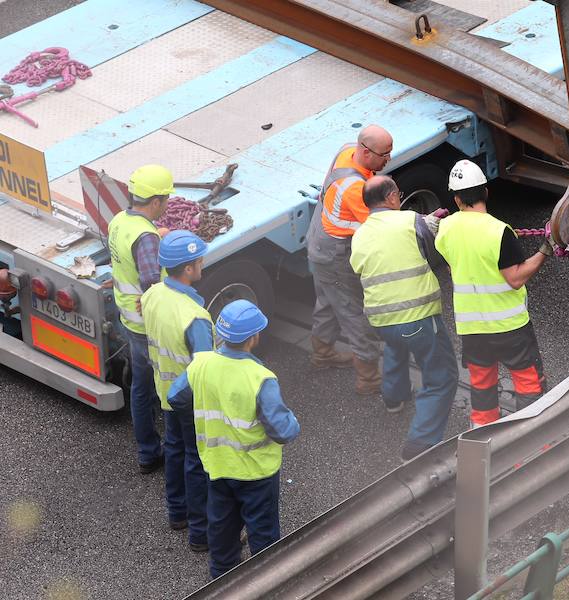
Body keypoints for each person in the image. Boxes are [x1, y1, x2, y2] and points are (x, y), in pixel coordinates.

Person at [168, 300, 300, 580]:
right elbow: (282, 430)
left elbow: (175, 397)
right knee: (263, 535)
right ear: (253, 338)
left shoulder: (201, 365)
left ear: (221, 334)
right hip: (256, 473)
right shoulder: (260, 378)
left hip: (217, 466)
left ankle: (222, 580)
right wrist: (293, 422)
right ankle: (267, 583)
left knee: (222, 529)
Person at [435, 160, 552, 426]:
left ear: (456, 198)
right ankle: (531, 438)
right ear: (486, 192)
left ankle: (483, 436)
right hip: (509, 327)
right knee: (528, 383)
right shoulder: (499, 231)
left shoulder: (446, 229)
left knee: (482, 385)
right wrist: (545, 250)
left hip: (472, 328)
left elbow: (457, 268)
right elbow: (515, 278)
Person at [349, 176, 458, 460]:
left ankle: (394, 398)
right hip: (417, 317)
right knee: (441, 377)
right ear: (391, 198)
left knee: (396, 346)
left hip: (380, 320)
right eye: (398, 193)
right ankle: (419, 446)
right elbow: (436, 233)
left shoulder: (359, 234)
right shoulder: (410, 219)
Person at [306, 125, 393, 395]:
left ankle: (322, 354)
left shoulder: (346, 150)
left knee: (329, 299)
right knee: (353, 312)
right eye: (384, 154)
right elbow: (380, 223)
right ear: (366, 152)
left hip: (318, 241)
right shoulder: (355, 188)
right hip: (334, 253)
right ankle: (369, 381)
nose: (388, 160)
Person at [141, 231, 214, 552]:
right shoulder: (195, 317)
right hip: (190, 399)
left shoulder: (153, 294)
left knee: (173, 449)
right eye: (199, 260)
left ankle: (178, 513)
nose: (202, 265)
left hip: (165, 388)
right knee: (197, 461)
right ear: (188, 269)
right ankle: (201, 532)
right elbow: (204, 368)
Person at [108, 164, 173, 473]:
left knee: (140, 385)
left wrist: (155, 237)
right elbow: (151, 280)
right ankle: (155, 451)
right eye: (166, 199)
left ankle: (147, 449)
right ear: (156, 201)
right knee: (163, 385)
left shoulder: (120, 221)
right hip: (147, 323)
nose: (167, 205)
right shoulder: (146, 237)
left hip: (129, 317)